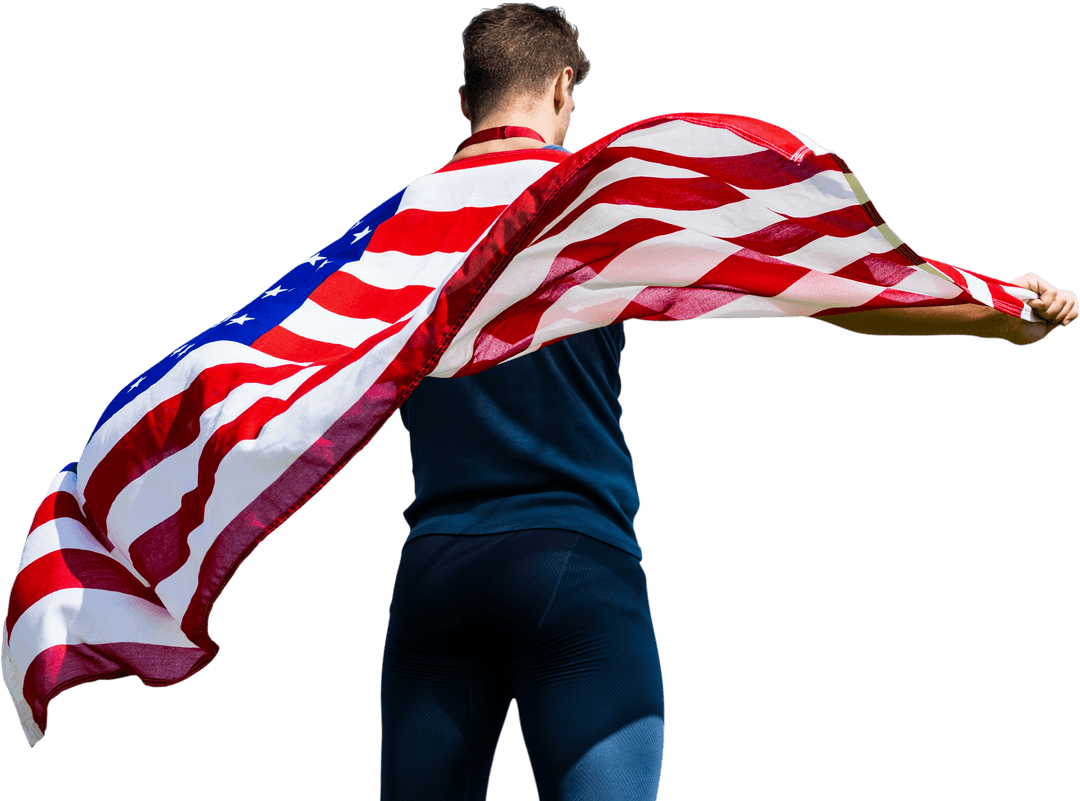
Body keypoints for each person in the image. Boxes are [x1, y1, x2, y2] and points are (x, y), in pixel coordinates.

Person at [377, 5, 1077, 801]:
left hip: (435, 571)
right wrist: (1003, 314)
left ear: (464, 100)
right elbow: (818, 283)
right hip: (571, 564)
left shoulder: (391, 231)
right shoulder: (588, 205)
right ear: (564, 86)